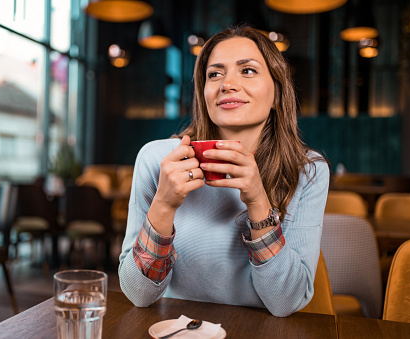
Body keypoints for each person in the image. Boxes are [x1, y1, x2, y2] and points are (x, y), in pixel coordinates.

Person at [118, 24, 330, 317]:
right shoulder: (157, 159)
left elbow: (286, 303)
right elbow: (138, 295)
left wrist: (257, 200)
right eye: (214, 74)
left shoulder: (309, 170)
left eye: (247, 71)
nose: (227, 84)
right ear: (204, 93)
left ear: (278, 94)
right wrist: (164, 205)